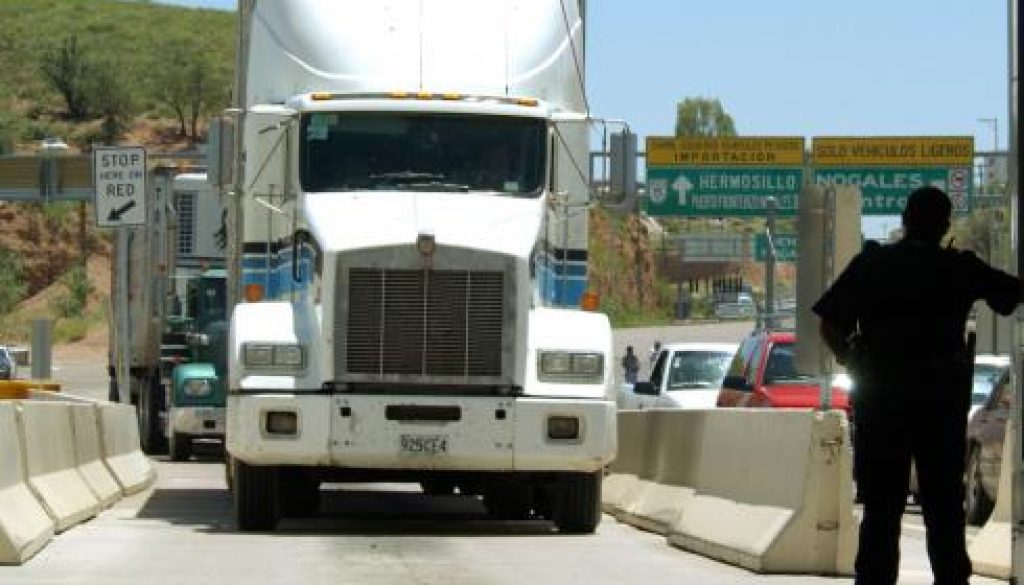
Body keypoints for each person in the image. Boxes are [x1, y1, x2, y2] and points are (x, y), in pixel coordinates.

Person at [813, 186, 1022, 585]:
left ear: (905, 221)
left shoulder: (873, 264)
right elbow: (1011, 293)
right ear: (945, 226)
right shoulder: (959, 268)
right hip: (940, 410)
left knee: (881, 515)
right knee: (944, 516)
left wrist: (855, 360)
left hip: (881, 409)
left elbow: (828, 324)